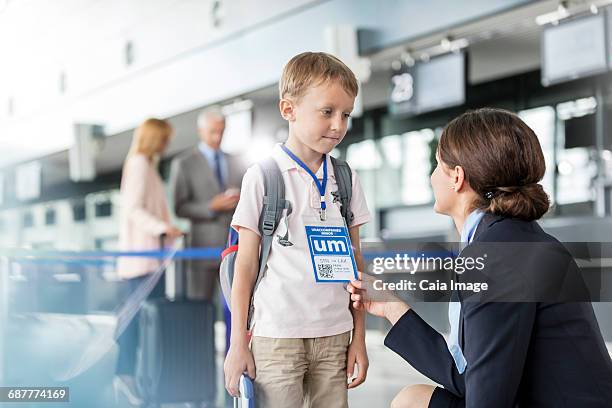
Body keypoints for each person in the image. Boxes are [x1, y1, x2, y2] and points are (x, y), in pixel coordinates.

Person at [347, 108, 612, 408]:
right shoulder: (508, 239)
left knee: (410, 403)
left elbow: (486, 399)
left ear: (457, 177)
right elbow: (470, 376)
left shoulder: (497, 256)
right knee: (413, 399)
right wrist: (392, 307)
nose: (432, 177)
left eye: (437, 166)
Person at [224, 52, 371, 408]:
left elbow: (356, 264)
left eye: (346, 114)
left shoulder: (346, 178)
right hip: (277, 336)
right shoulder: (263, 176)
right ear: (288, 110)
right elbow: (244, 266)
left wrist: (360, 338)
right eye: (327, 112)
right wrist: (237, 344)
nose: (338, 125)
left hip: (336, 333)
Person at [115, 118, 183, 405]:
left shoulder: (146, 164)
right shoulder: (140, 164)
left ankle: (133, 379)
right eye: (164, 138)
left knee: (143, 324)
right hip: (142, 262)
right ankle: (125, 377)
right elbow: (133, 209)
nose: (167, 144)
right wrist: (162, 229)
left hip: (150, 261)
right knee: (135, 324)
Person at [170, 107, 245, 301]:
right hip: (201, 250)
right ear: (200, 132)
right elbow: (179, 207)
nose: (217, 137)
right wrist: (211, 207)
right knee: (200, 308)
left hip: (233, 247)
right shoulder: (184, 163)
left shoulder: (235, 161)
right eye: (213, 131)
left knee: (236, 306)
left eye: (221, 131)